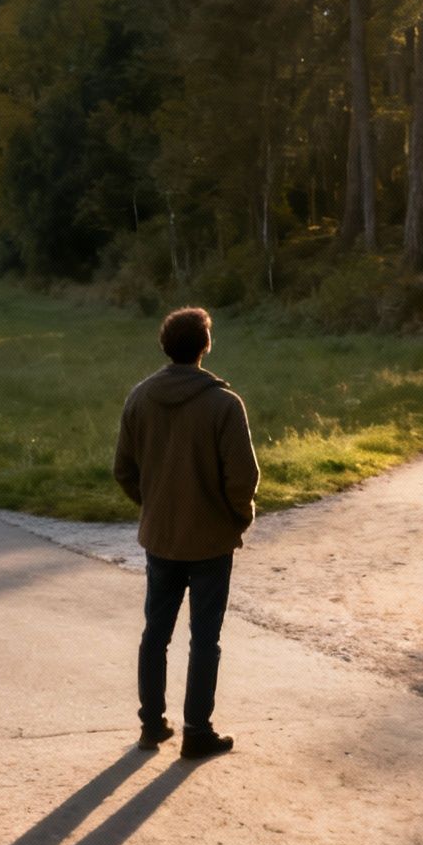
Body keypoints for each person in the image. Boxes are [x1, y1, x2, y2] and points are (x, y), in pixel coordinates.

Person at [113, 306, 259, 760]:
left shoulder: (139, 398)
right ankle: (197, 731)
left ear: (164, 346)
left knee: (155, 632)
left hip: (161, 539)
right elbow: (243, 478)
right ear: (205, 346)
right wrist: (238, 517)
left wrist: (154, 506)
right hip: (211, 542)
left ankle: (151, 725)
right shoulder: (224, 405)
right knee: (205, 638)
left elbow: (124, 470)